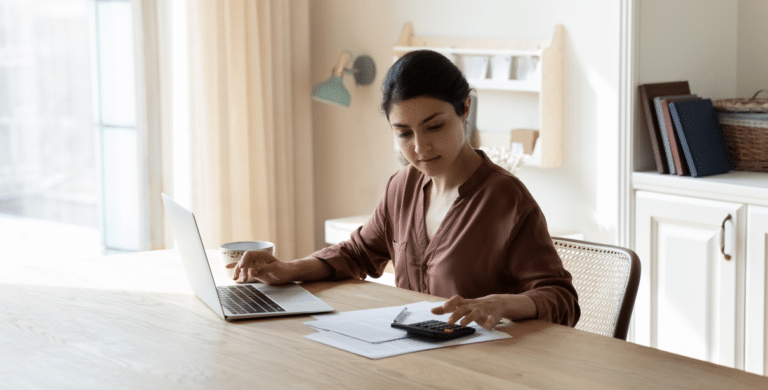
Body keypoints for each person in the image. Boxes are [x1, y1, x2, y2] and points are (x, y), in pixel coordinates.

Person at [233, 50, 580, 329]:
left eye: (434, 126)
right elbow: (357, 254)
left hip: (484, 372)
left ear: (465, 109)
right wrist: (289, 269)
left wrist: (500, 303)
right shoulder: (402, 187)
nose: (420, 147)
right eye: (404, 133)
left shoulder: (507, 200)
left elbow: (561, 300)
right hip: (408, 361)